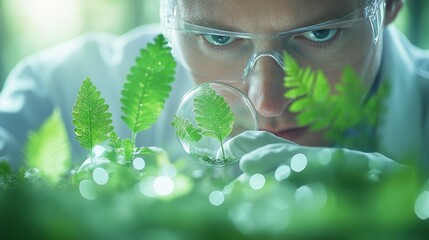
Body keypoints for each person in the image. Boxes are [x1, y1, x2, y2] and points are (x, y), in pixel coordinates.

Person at [0, 0, 427, 173]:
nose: (269, 103)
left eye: (320, 35)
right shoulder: (54, 95)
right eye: (219, 39)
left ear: (388, 5)